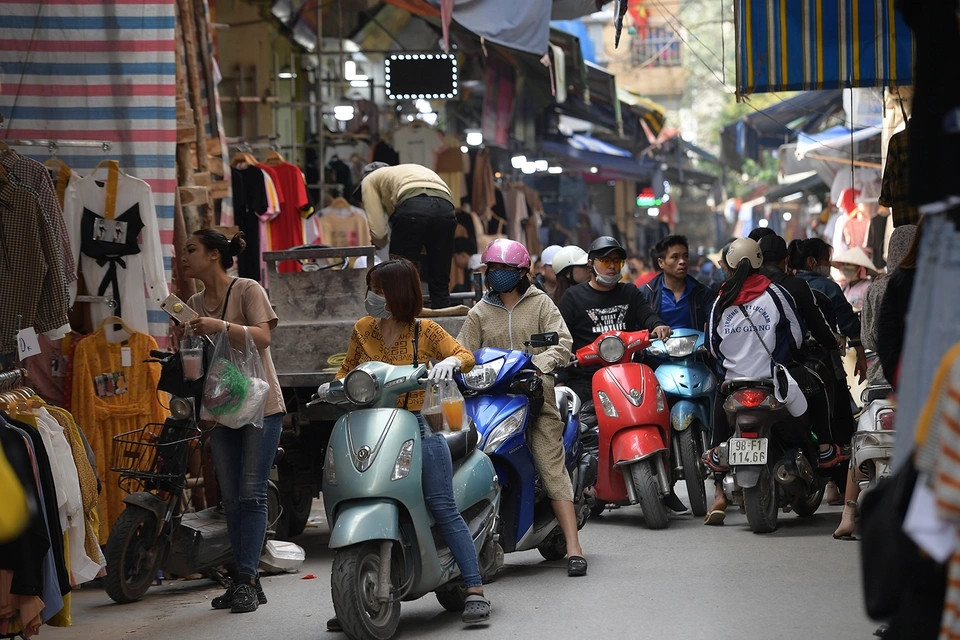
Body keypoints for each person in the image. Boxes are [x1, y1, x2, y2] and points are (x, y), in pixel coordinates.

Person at [320, 258, 491, 628]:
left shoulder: (425, 331)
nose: (372, 297)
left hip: (414, 426)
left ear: (398, 293)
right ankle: (353, 598)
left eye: (379, 291)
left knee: (442, 505)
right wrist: (330, 384)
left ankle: (475, 587)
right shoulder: (363, 329)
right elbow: (346, 370)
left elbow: (464, 355)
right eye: (371, 289)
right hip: (368, 425)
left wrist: (448, 365)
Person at [456, 239, 588, 578]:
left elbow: (562, 342)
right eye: (491, 269)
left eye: (503, 270)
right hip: (490, 403)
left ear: (521, 273)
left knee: (550, 465)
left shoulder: (541, 303)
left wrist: (538, 365)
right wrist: (451, 366)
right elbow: (462, 352)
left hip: (536, 399)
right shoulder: (479, 312)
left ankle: (574, 547)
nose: (495, 275)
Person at [181, 230, 285, 614]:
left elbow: (264, 337)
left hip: (262, 405)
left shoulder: (247, 289)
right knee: (230, 499)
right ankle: (245, 578)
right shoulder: (192, 302)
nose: (184, 257)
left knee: (251, 493)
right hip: (222, 409)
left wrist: (220, 327)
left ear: (213, 255)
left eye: (191, 250)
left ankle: (246, 578)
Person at [704, 238, 846, 476]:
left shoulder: (721, 299)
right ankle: (824, 449)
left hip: (734, 382)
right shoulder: (774, 292)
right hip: (776, 377)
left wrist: (732, 365)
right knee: (818, 385)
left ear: (728, 265)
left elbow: (712, 344)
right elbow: (795, 334)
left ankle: (717, 449)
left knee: (719, 392)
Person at [832, 224, 917, 539]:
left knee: (860, 440)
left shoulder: (877, 289)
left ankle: (848, 513)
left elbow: (868, 337)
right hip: (921, 383)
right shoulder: (930, 285)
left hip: (882, 379)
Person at [558, 236, 672, 405]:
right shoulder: (572, 297)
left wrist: (658, 325)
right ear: (591, 263)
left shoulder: (630, 292)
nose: (612, 266)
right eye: (605, 261)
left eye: (617, 262)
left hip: (628, 375)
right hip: (586, 380)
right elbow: (561, 339)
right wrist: (561, 378)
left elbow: (647, 315)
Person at [354, 162, 457, 309]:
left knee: (400, 277)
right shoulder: (405, 172)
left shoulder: (369, 180)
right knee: (440, 280)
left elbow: (378, 232)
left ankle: (404, 322)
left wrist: (379, 241)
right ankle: (443, 322)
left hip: (412, 207)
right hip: (446, 209)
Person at [639, 234, 715, 332]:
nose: (682, 261)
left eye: (685, 256)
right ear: (661, 263)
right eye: (675, 257)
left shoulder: (702, 293)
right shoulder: (647, 294)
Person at [832, 246, 877, 312]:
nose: (845, 267)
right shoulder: (845, 286)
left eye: (849, 264)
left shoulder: (867, 286)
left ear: (859, 267)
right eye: (844, 264)